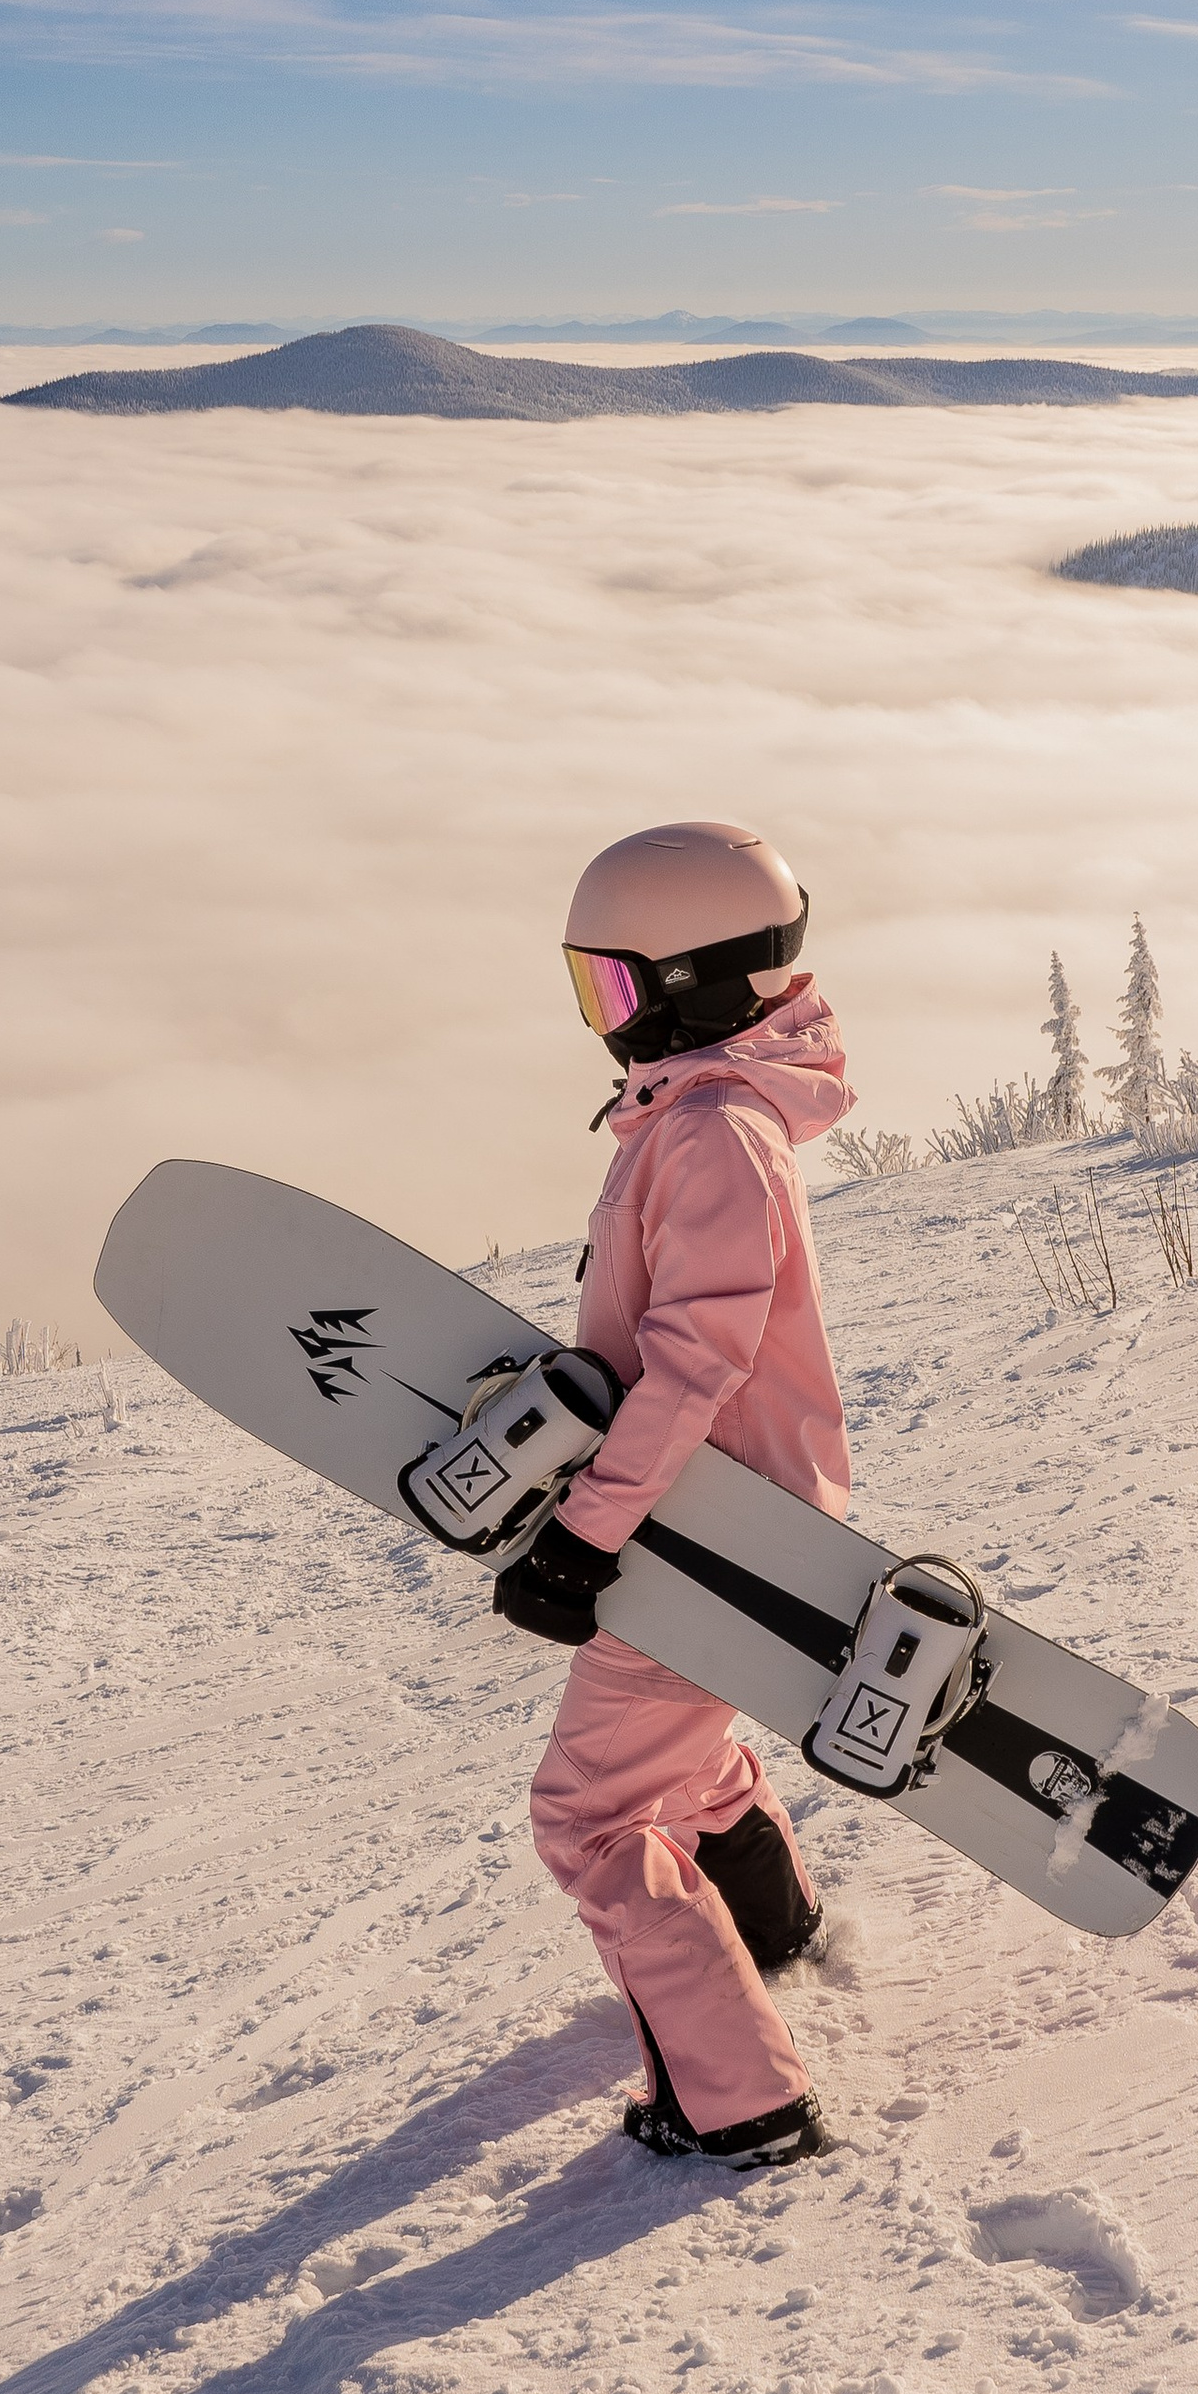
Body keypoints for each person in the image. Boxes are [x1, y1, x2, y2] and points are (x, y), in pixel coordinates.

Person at [493, 820, 855, 2166]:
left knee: (590, 1815)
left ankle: (740, 2100)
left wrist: (587, 1536)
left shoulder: (711, 1133)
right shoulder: (699, 1112)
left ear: (692, 981)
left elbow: (698, 1358)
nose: (603, 1018)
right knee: (679, 1748)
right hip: (721, 1517)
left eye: (616, 986)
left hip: (705, 1530)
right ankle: (772, 1929)